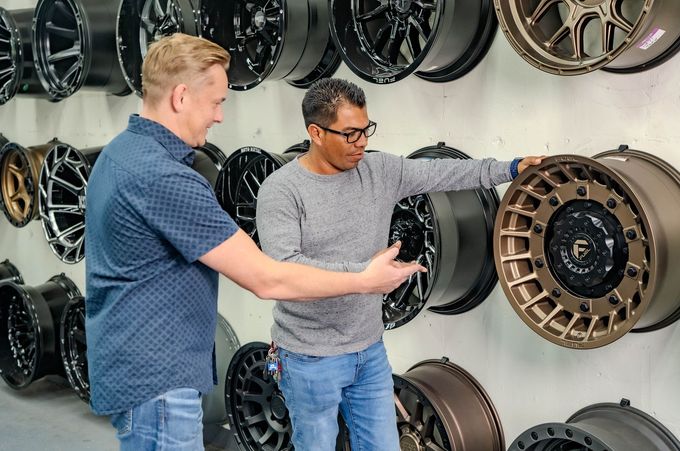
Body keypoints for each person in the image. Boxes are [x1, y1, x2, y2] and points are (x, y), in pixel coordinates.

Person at [84, 34, 425, 451]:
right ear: (180, 97)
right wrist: (365, 278)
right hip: (159, 382)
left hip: (135, 367)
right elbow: (267, 279)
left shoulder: (121, 152)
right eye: (216, 102)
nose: (220, 117)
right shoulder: (164, 179)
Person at [256, 78, 545, 451]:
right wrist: (363, 275)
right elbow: (284, 271)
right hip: (310, 358)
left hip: (369, 351)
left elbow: (447, 174)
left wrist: (512, 167)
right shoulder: (282, 190)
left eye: (366, 129)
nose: (362, 142)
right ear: (315, 132)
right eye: (349, 134)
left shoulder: (379, 171)